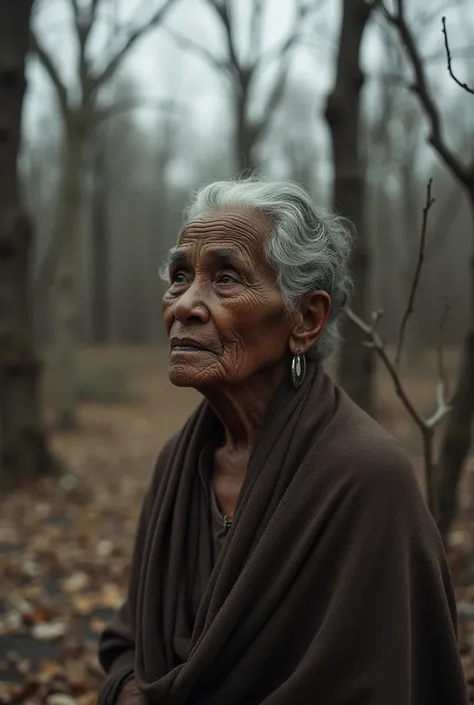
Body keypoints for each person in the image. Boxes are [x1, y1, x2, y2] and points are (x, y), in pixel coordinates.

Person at [98, 178, 468, 705]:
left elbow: (384, 680)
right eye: (181, 278)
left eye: (226, 279)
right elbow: (129, 642)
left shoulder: (366, 477)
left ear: (307, 319)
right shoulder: (178, 465)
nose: (185, 306)